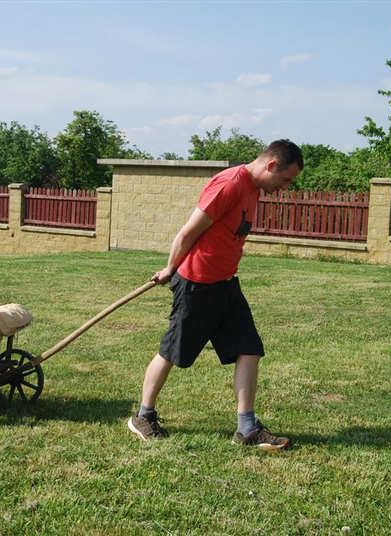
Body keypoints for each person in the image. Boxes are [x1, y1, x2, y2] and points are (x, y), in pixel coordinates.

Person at [127, 139, 303, 450]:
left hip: (225, 284)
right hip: (197, 283)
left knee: (249, 348)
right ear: (271, 165)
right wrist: (170, 269)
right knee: (172, 352)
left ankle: (247, 427)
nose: (285, 187)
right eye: (285, 179)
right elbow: (188, 232)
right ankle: (143, 415)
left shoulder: (253, 189)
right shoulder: (230, 184)